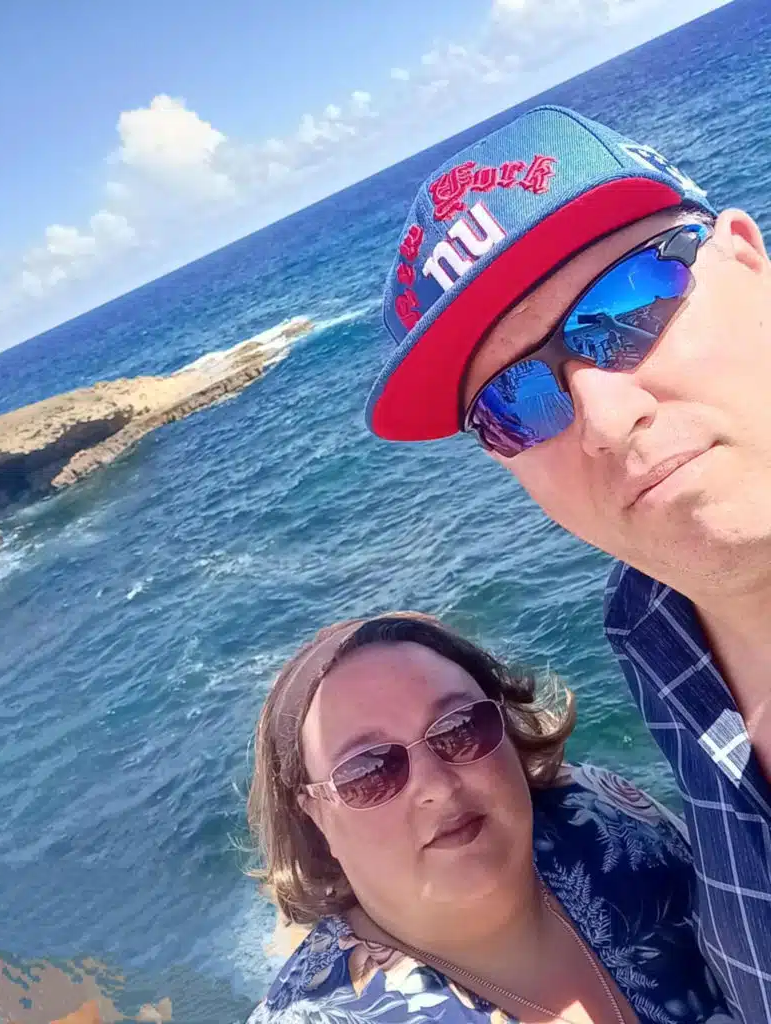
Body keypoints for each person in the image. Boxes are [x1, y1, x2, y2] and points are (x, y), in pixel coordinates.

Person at [364, 104, 771, 1020]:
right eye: (514, 401)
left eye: (633, 302)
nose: (606, 419)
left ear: (748, 259)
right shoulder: (653, 624)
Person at [246, 610, 729, 1023]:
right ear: (315, 817)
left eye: (461, 728)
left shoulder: (604, 814)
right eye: (370, 771)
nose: (437, 787)